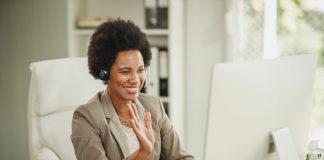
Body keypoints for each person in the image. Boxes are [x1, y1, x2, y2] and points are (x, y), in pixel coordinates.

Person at [71, 18, 195, 160]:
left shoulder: (154, 106)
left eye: (140, 70)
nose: (136, 79)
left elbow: (181, 157)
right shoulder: (86, 118)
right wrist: (141, 153)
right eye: (125, 72)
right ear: (104, 73)